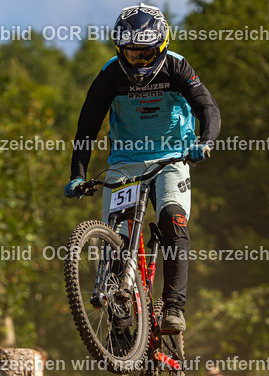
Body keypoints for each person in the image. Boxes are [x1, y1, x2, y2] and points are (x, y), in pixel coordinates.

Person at [64, 3, 221, 333]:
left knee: (172, 219)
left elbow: (208, 108)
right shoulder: (110, 74)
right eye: (131, 54)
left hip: (172, 157)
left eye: (145, 54)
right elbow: (88, 125)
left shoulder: (177, 67)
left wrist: (204, 141)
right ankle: (120, 317)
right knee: (116, 237)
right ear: (120, 50)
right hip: (125, 161)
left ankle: (174, 306)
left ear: (161, 47)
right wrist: (78, 173)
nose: (138, 63)